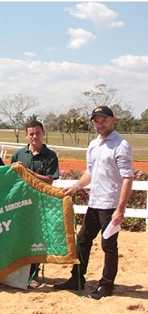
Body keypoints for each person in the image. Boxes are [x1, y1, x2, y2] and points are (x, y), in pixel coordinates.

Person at [54, 106, 133, 300]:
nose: (100, 124)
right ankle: (77, 278)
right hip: (95, 202)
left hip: (111, 204)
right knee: (82, 241)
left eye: (104, 120)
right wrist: (76, 186)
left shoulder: (121, 145)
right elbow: (89, 172)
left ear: (113, 120)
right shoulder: (93, 145)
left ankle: (106, 285)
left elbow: (127, 179)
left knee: (108, 246)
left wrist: (120, 210)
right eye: (97, 121)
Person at [11, 119, 59, 286]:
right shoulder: (18, 154)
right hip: (20, 202)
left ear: (43, 133)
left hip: (39, 203)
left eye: (37, 133)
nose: (34, 136)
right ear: (26, 135)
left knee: (36, 238)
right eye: (31, 133)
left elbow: (49, 181)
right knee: (18, 235)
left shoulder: (50, 156)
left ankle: (33, 275)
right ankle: (16, 273)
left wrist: (29, 172)